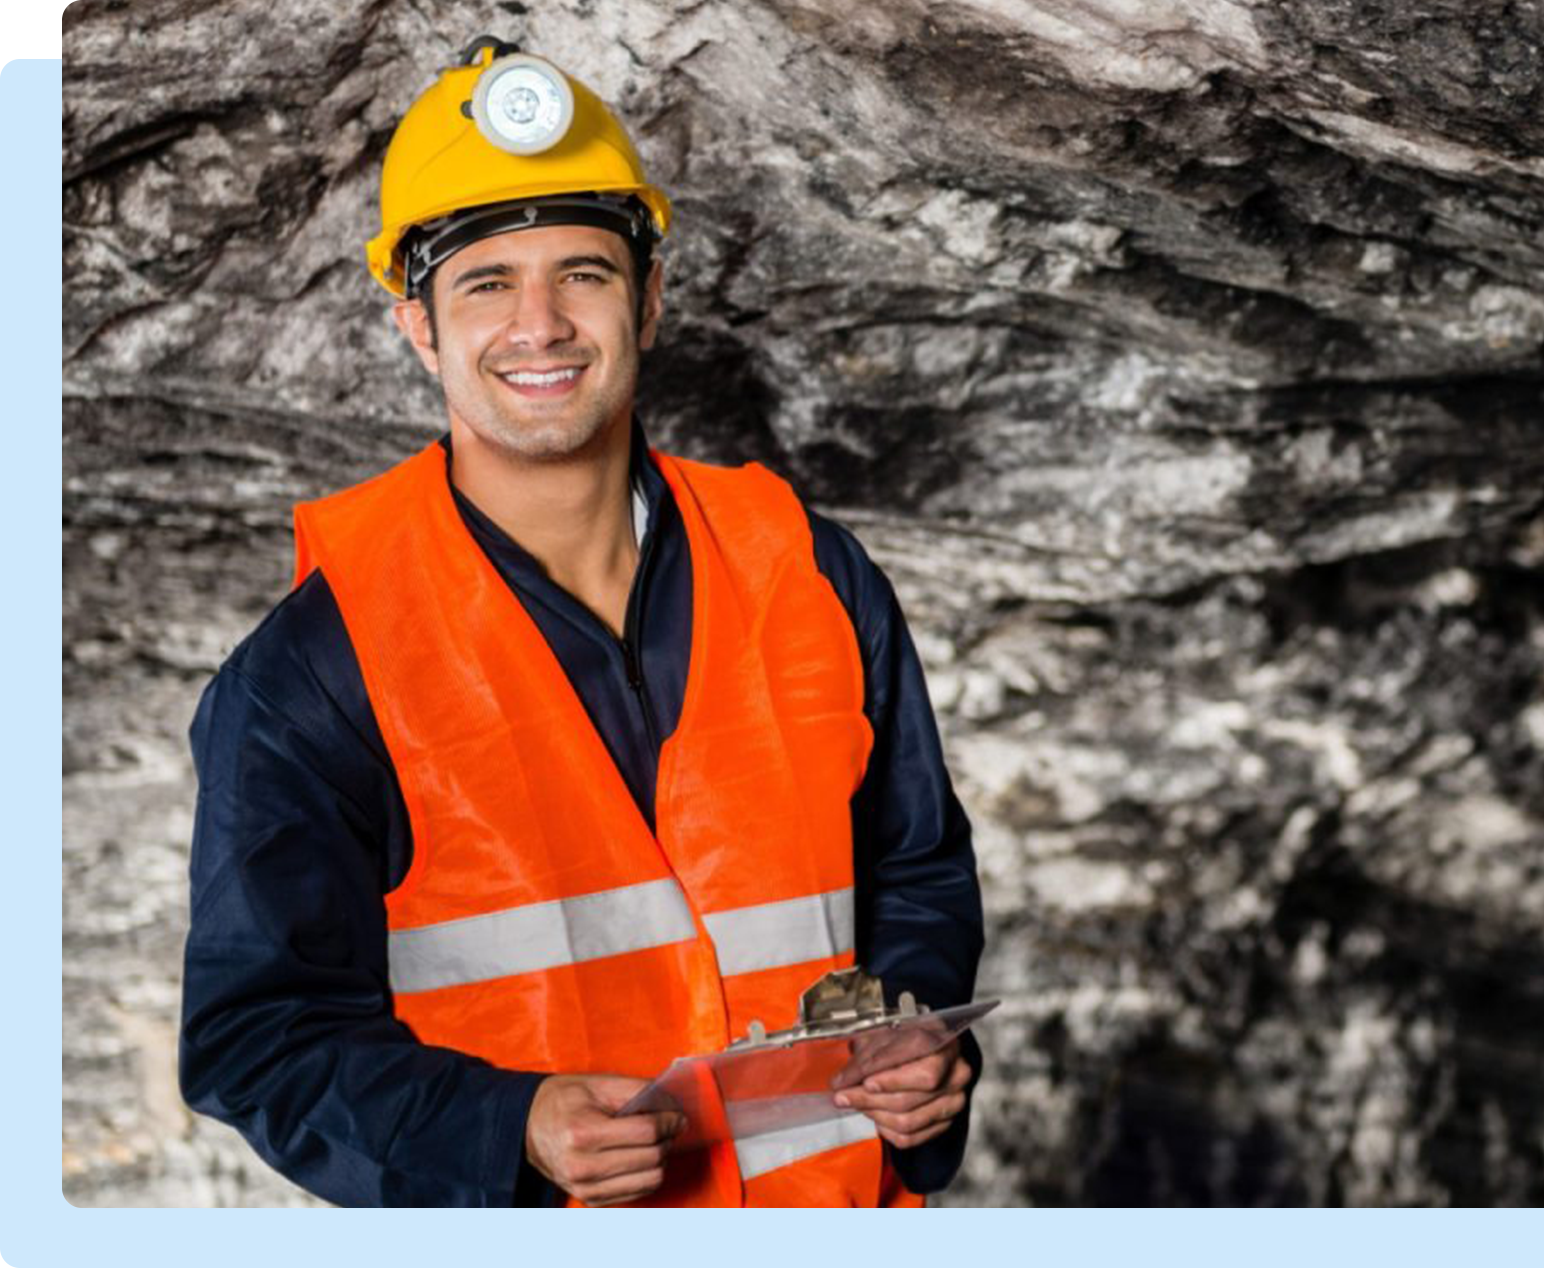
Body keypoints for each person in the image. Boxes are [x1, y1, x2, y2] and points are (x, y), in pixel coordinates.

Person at [178, 37, 985, 1207]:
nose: (541, 323)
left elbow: (915, 868)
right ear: (418, 324)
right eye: (487, 282)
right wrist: (508, 1123)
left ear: (650, 299)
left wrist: (922, 1039)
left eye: (585, 273)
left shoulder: (806, 567)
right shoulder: (314, 667)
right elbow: (258, 1040)